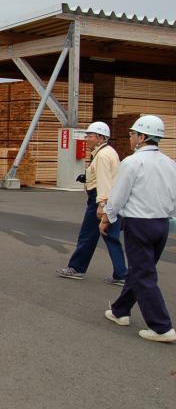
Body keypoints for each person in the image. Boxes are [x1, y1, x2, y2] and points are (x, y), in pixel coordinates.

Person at [102, 115, 176, 343]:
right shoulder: (170, 163)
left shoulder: (132, 162)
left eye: (133, 134)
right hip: (161, 223)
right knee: (140, 270)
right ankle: (120, 310)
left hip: (138, 223)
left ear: (142, 137)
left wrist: (107, 217)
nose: (131, 138)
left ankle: (161, 327)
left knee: (143, 274)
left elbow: (119, 194)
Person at [57, 121, 128, 285]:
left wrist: (101, 205)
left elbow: (104, 181)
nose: (86, 138)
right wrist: (87, 177)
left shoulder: (102, 156)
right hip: (112, 198)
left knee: (87, 235)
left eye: (89, 136)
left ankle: (76, 268)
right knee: (111, 236)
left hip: (101, 198)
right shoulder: (109, 152)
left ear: (101, 137)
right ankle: (121, 274)